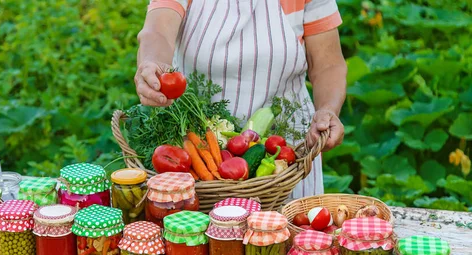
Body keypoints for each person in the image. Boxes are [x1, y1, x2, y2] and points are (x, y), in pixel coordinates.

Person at [134, 0, 346, 198]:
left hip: (285, 160)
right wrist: (152, 63)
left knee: (290, 230)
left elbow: (328, 65)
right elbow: (157, 31)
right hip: (201, 159)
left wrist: (327, 110)